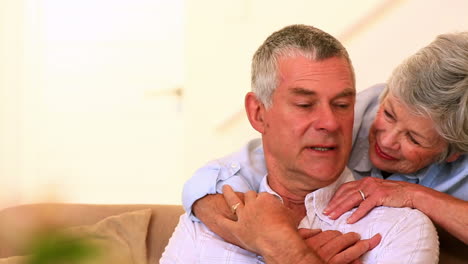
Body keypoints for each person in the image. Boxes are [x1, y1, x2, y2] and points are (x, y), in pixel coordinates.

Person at [161, 24, 438, 264]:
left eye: (342, 105)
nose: (330, 123)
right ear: (258, 113)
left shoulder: (401, 228)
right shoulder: (206, 222)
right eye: (305, 105)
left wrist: (288, 252)